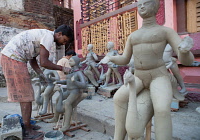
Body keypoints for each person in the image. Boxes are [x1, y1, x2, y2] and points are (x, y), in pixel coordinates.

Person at [101, 0, 194, 139]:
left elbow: (187, 60)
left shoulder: (166, 31)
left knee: (162, 109)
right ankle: (118, 137)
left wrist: (185, 51)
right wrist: (111, 59)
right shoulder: (133, 36)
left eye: (146, 3)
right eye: (139, 5)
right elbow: (125, 59)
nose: (142, 6)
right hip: (138, 76)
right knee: (119, 98)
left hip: (158, 75)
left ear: (156, 6)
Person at [0, 24, 73, 140]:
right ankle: (27, 130)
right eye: (64, 40)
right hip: (13, 58)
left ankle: (27, 124)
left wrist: (40, 73)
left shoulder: (43, 36)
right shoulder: (48, 36)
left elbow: (32, 58)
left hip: (13, 57)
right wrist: (62, 68)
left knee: (27, 94)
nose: (63, 43)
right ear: (59, 34)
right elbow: (44, 62)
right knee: (26, 95)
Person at [55, 55, 87, 132]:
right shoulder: (71, 71)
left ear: (76, 63)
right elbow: (67, 81)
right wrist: (58, 81)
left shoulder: (79, 73)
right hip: (68, 91)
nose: (69, 61)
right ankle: (55, 117)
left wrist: (75, 82)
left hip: (75, 92)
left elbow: (84, 84)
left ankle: (66, 125)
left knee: (67, 103)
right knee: (58, 99)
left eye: (71, 61)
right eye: (69, 60)